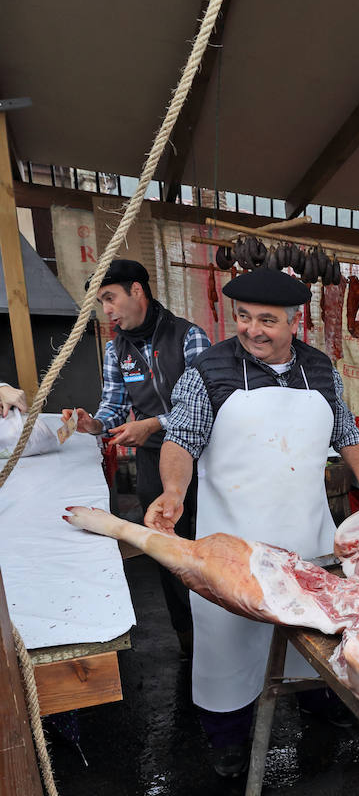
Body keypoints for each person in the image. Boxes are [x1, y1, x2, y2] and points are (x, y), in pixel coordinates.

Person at [144, 266, 359, 775]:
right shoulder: (209, 370)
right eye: (243, 317)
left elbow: (344, 428)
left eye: (267, 320)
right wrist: (173, 491)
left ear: (294, 322)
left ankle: (322, 707)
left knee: (314, 636)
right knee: (229, 642)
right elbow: (181, 439)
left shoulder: (321, 369)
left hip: (308, 537)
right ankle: (228, 739)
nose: (253, 329)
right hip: (235, 540)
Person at [62, 259, 210, 652]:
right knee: (164, 545)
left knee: (205, 540)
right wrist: (91, 423)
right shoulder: (117, 349)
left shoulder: (187, 337)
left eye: (110, 299)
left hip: (201, 458)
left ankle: (222, 630)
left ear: (137, 291)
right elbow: (113, 407)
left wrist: (154, 423)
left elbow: (210, 404)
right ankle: (188, 639)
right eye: (101, 303)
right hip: (151, 463)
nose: (106, 310)